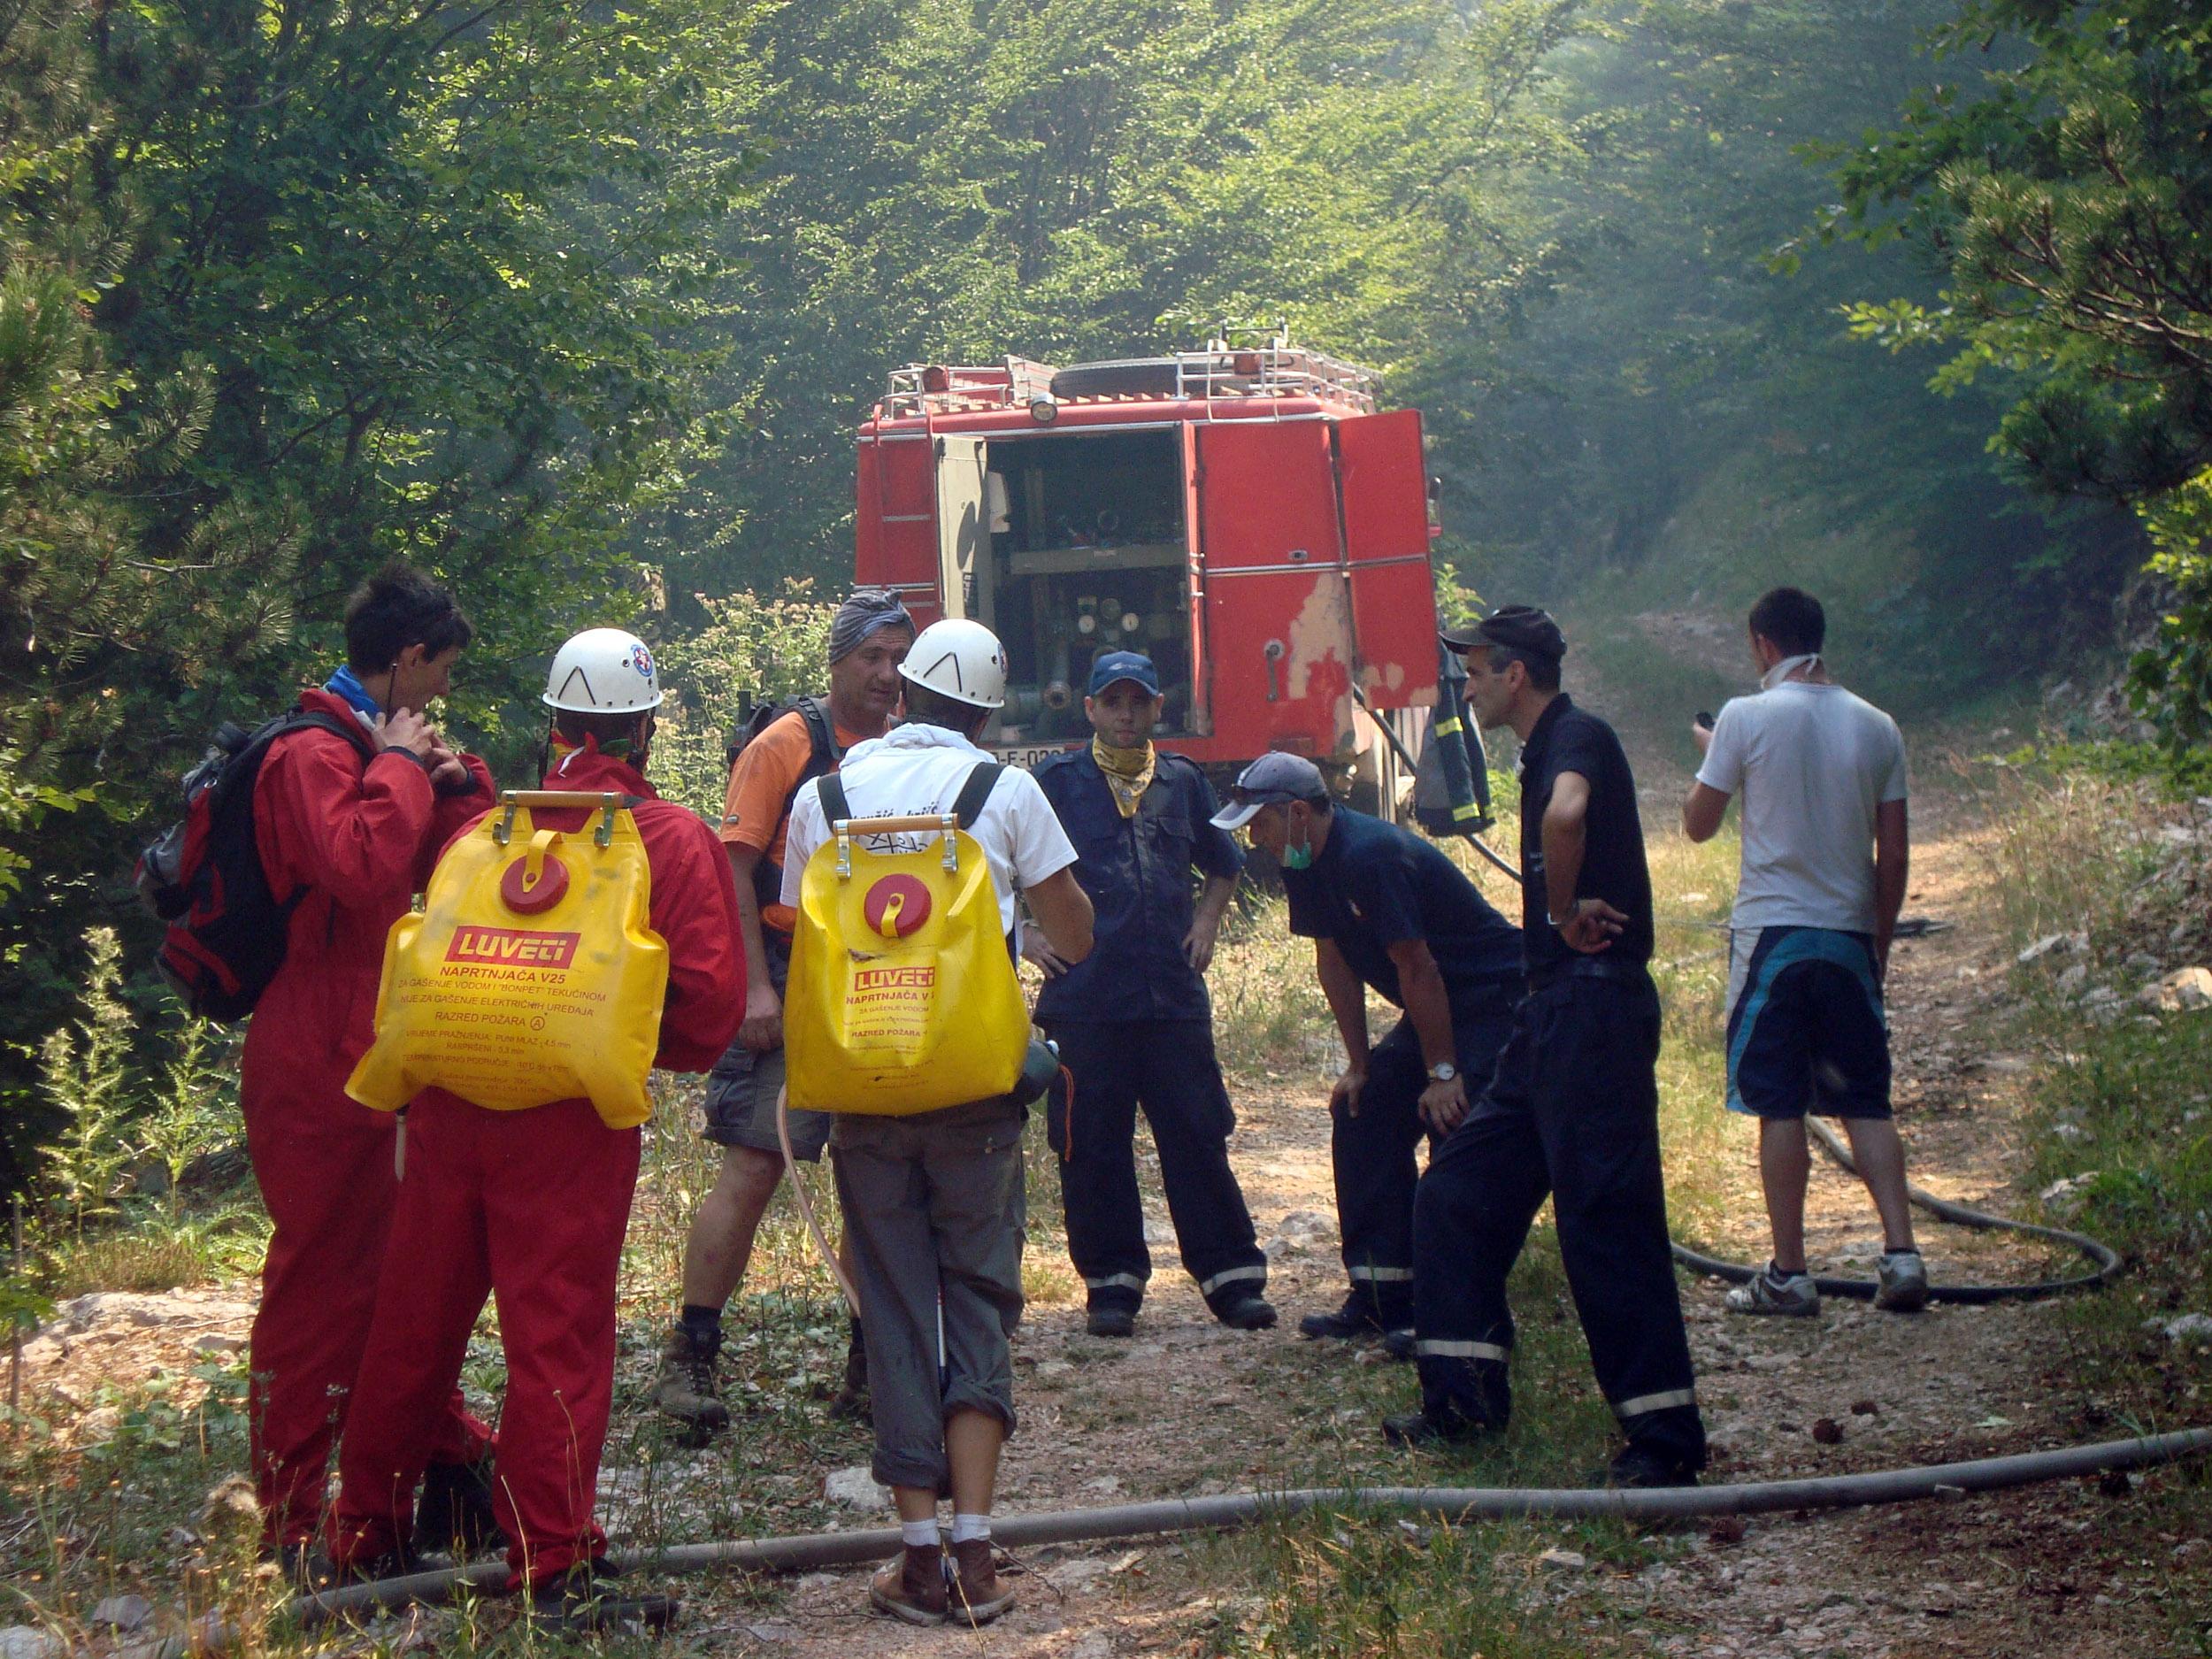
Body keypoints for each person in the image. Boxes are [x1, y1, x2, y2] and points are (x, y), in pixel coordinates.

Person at [327, 628, 743, 1632]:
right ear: (643, 729)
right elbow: (708, 997)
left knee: (413, 1325)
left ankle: (362, 1535)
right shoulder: (664, 837)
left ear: (553, 722)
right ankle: (550, 1563)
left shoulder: (488, 832)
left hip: (447, 1105)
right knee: (555, 1338)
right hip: (566, 1123)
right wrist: (627, 1052)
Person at [781, 618, 1094, 1628]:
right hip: (974, 1090)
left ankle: (917, 1561)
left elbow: (801, 924)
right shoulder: (1005, 791)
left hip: (865, 1085)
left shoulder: (821, 797)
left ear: (902, 691)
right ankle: (979, 1554)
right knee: (976, 1298)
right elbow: (1078, 936)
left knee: (897, 1308)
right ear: (990, 710)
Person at [1385, 605, 1706, 1489]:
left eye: (1479, 671)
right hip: (1547, 1017)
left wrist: (1563, 915)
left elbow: (1567, 817)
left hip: (1593, 1012)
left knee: (1604, 1218)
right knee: (1455, 1192)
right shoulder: (1541, 749)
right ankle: (1461, 1404)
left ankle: (1664, 1440)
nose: (1471, 685)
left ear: (1515, 675)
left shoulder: (1576, 738)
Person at [240, 564, 497, 1566]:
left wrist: (449, 776)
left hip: (378, 1036)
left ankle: (440, 1477)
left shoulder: (367, 743)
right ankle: (292, 1521)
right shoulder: (309, 753)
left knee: (399, 1278)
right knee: (321, 1289)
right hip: (316, 1047)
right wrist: (395, 767)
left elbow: (448, 857)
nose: (440, 694)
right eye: (436, 674)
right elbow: (352, 865)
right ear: (404, 659)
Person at [654, 589, 915, 1435]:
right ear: (837, 660)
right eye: (871, 656)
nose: (886, 673)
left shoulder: (906, 746)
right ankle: (689, 1356)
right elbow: (732, 866)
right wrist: (753, 989)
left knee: (871, 1174)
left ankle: (868, 1365)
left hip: (870, 978)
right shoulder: (785, 745)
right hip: (780, 970)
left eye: (897, 657)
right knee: (755, 1165)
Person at [1211, 752, 1523, 1346]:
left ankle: (1454, 1310)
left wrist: (1444, 1071)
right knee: (1365, 1107)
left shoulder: (1370, 857)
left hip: (1491, 1000)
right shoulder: (1301, 858)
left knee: (1451, 1123)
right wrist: (1360, 1064)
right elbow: (1333, 958)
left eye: (1262, 823)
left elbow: (1419, 967)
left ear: (1298, 812)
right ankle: (1383, 1295)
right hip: (1434, 1000)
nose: (1255, 839)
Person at [1682, 586, 1924, 1316]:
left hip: (1773, 938)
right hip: (1849, 935)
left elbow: (1698, 824)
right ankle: (1904, 1253)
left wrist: (1713, 752)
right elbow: (1896, 852)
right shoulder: (1878, 726)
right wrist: (1876, 942)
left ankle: (1790, 1272)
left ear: (1762, 644)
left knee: (1780, 1102)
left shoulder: (1743, 718)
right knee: (1866, 1101)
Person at [1029, 652, 1272, 1339]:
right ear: (1090, 710)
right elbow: (999, 861)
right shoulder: (1055, 784)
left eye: (1138, 702)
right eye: (1113, 702)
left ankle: (1232, 1280)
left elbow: (1224, 864)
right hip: (1086, 1002)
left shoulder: (1182, 782)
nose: (1126, 715)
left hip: (1170, 1000)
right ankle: (1112, 1286)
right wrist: (1023, 934)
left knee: (1198, 1135)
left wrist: (1206, 921)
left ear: (1157, 707)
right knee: (1090, 1145)